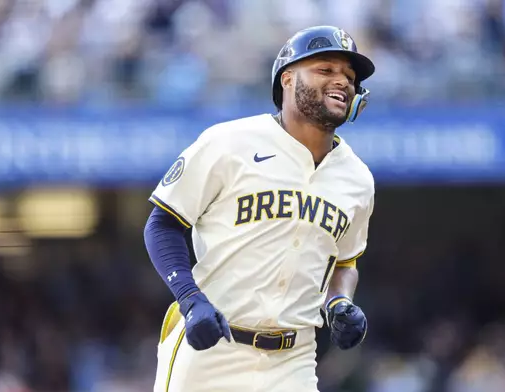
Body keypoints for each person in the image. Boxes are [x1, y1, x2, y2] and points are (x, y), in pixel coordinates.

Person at [144, 25, 376, 392]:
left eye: (349, 76)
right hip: (211, 347)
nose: (342, 81)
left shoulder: (358, 179)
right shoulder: (228, 142)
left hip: (293, 359)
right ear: (287, 79)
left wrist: (340, 303)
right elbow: (161, 225)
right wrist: (189, 299)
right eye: (326, 70)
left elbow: (344, 262)